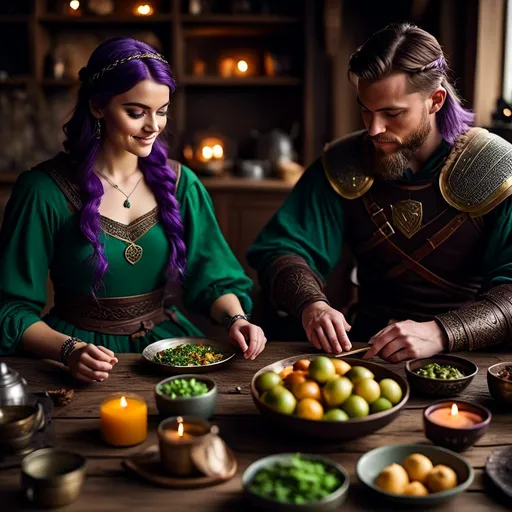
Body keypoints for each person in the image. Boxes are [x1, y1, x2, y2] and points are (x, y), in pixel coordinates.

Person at [0, 37, 266, 383]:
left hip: (165, 348)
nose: (153, 126)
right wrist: (68, 351)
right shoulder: (43, 191)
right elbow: (10, 309)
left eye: (162, 111)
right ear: (97, 106)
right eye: (136, 112)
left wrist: (236, 319)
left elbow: (214, 275)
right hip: (76, 353)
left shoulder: (180, 183)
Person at [247, 22, 512, 363]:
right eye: (366, 110)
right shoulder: (343, 163)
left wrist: (442, 332)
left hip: (470, 359)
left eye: (392, 113)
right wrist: (311, 305)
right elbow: (283, 248)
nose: (374, 129)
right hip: (366, 350)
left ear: (435, 100)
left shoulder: (496, 168)